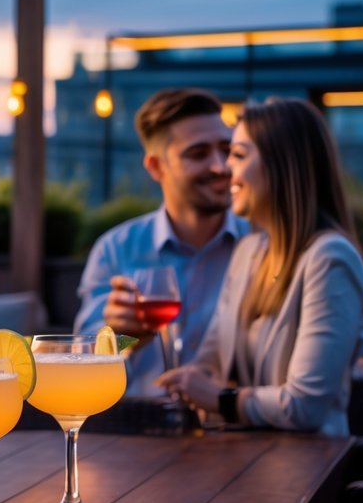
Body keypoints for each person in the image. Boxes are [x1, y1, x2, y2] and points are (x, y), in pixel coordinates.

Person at [155, 98, 363, 435]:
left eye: (238, 154)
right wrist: (132, 339)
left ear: (283, 165)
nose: (223, 169)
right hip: (243, 453)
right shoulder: (248, 253)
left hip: (312, 468)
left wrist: (222, 399)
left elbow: (305, 406)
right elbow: (209, 363)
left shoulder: (330, 259)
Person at [75, 87, 246, 395]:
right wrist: (120, 341)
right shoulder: (115, 250)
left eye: (227, 149)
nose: (220, 166)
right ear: (156, 167)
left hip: (236, 430)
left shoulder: (261, 246)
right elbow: (81, 373)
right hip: (137, 431)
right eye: (198, 154)